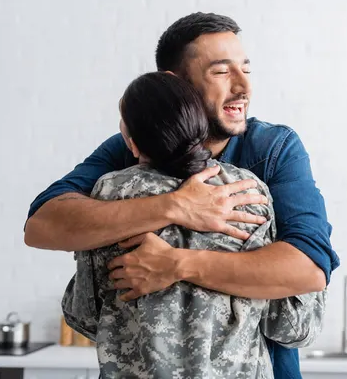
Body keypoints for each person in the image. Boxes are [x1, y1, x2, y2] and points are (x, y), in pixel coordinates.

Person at [25, 12, 340, 379]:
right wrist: (176, 206)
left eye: (246, 70)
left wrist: (177, 264)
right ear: (176, 83)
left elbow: (310, 268)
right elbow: (43, 224)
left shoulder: (273, 149)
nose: (243, 87)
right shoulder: (129, 148)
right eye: (222, 71)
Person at [63, 71, 326, 378]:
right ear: (202, 127)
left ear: (132, 144)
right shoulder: (246, 193)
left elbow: (84, 316)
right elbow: (293, 326)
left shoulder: (109, 194)